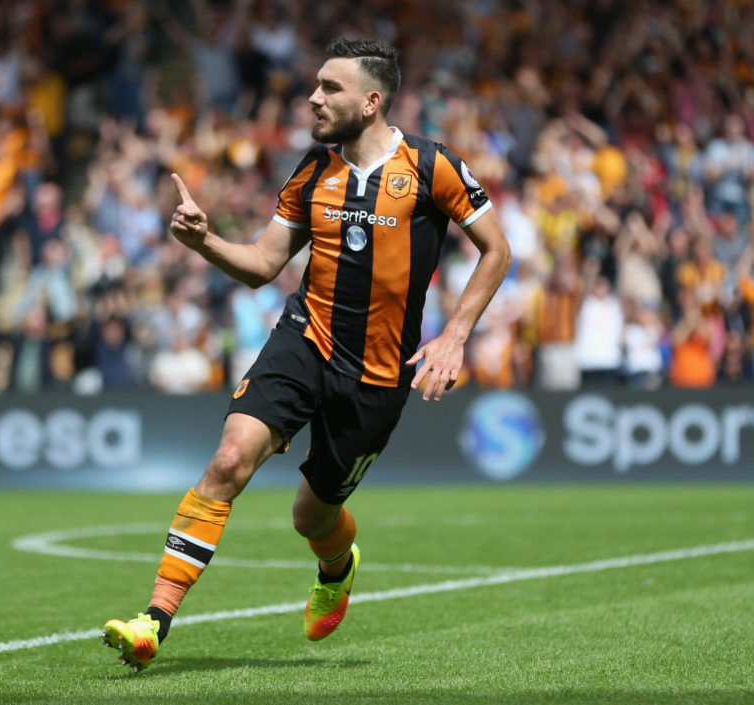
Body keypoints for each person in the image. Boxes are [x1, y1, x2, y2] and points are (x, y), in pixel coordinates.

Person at [102, 37, 511, 671]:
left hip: (378, 374)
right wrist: (205, 240)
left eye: (331, 88)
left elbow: (498, 249)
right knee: (230, 460)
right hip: (305, 338)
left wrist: (455, 334)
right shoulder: (312, 170)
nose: (313, 98)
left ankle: (337, 565)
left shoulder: (433, 168)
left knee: (311, 516)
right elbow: (264, 264)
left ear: (371, 101)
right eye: (315, 85)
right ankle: (153, 620)